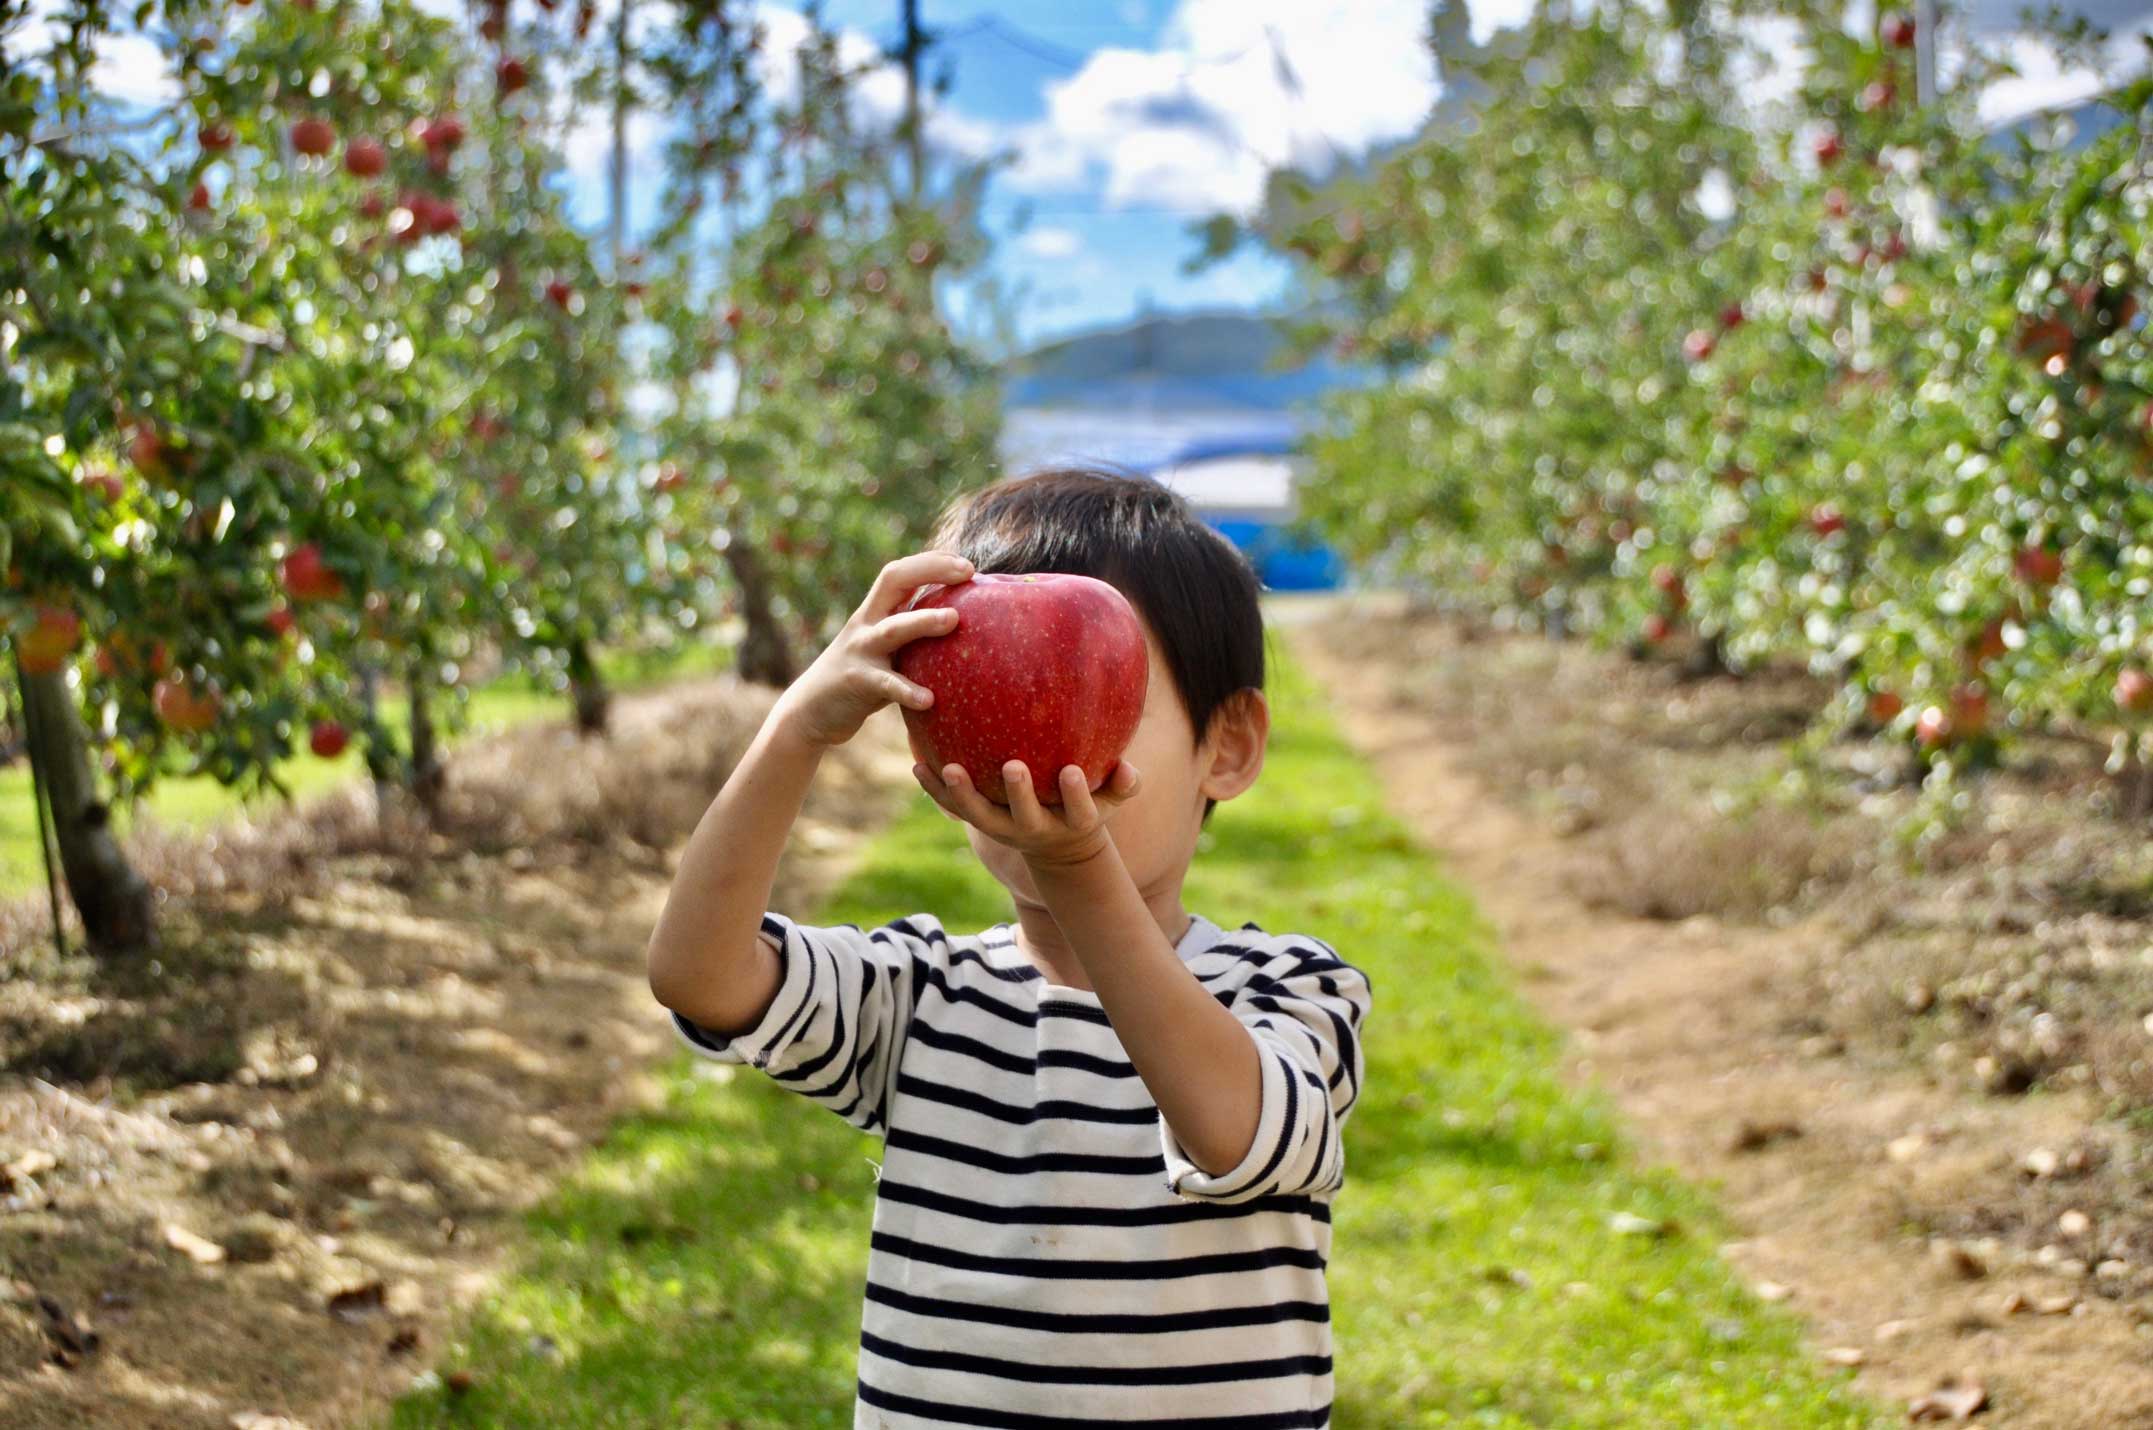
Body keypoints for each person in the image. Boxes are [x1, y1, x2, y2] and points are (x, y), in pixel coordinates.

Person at [646, 466, 1374, 1429]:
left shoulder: (1286, 990)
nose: (1041, 752)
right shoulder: (918, 1000)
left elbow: (1235, 1134)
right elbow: (697, 974)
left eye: (1098, 702)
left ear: (1225, 746)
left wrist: (1079, 865)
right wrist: (792, 733)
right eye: (986, 696)